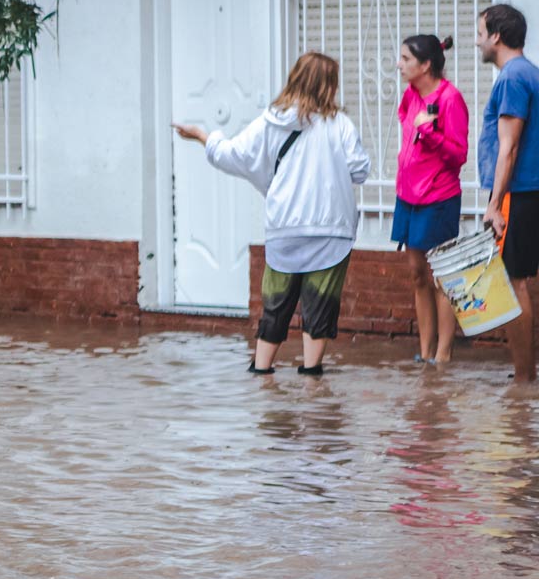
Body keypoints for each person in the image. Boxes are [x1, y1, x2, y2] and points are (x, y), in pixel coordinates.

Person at [174, 52, 371, 376]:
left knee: (276, 303)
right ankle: (312, 386)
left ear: (295, 78)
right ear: (329, 86)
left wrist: (202, 136)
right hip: (331, 231)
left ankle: (262, 377)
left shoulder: (270, 121)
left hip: (285, 229)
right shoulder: (340, 124)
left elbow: (232, 154)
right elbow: (360, 170)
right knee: (319, 305)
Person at [392, 33, 469, 364]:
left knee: (441, 277)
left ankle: (443, 353)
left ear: (425, 65)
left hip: (438, 198)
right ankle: (424, 352)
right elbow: (404, 120)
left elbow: (458, 155)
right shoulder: (411, 94)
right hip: (407, 196)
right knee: (417, 274)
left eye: (406, 59)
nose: (399, 65)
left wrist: (430, 133)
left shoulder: (451, 99)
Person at [476, 3, 538, 383]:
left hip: (520, 193)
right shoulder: (526, 72)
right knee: (523, 280)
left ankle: (523, 381)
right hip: (528, 192)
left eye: (480, 32)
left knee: (514, 282)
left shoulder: (513, 77)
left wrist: (495, 204)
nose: (477, 40)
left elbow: (508, 145)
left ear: (497, 35)